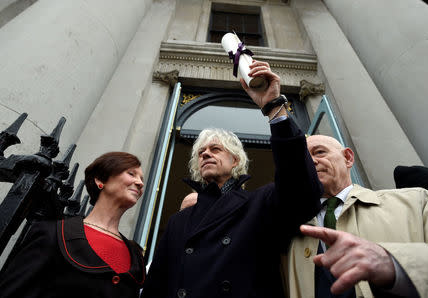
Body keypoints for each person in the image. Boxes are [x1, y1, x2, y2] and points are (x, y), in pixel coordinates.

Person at [141, 60, 323, 298]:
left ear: (235, 161)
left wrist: (274, 108)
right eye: (201, 152)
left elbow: (302, 192)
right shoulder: (178, 222)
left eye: (215, 149)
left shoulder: (259, 204)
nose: (205, 153)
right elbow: (156, 288)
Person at [288, 135, 428, 298]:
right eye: (303, 159)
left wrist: (395, 264)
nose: (311, 162)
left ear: (348, 158)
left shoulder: (415, 202)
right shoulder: (288, 231)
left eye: (320, 152)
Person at [0, 152, 146, 298]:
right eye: (131, 174)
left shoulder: (135, 257)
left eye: (142, 178)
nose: (140, 183)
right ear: (101, 180)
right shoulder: (53, 234)